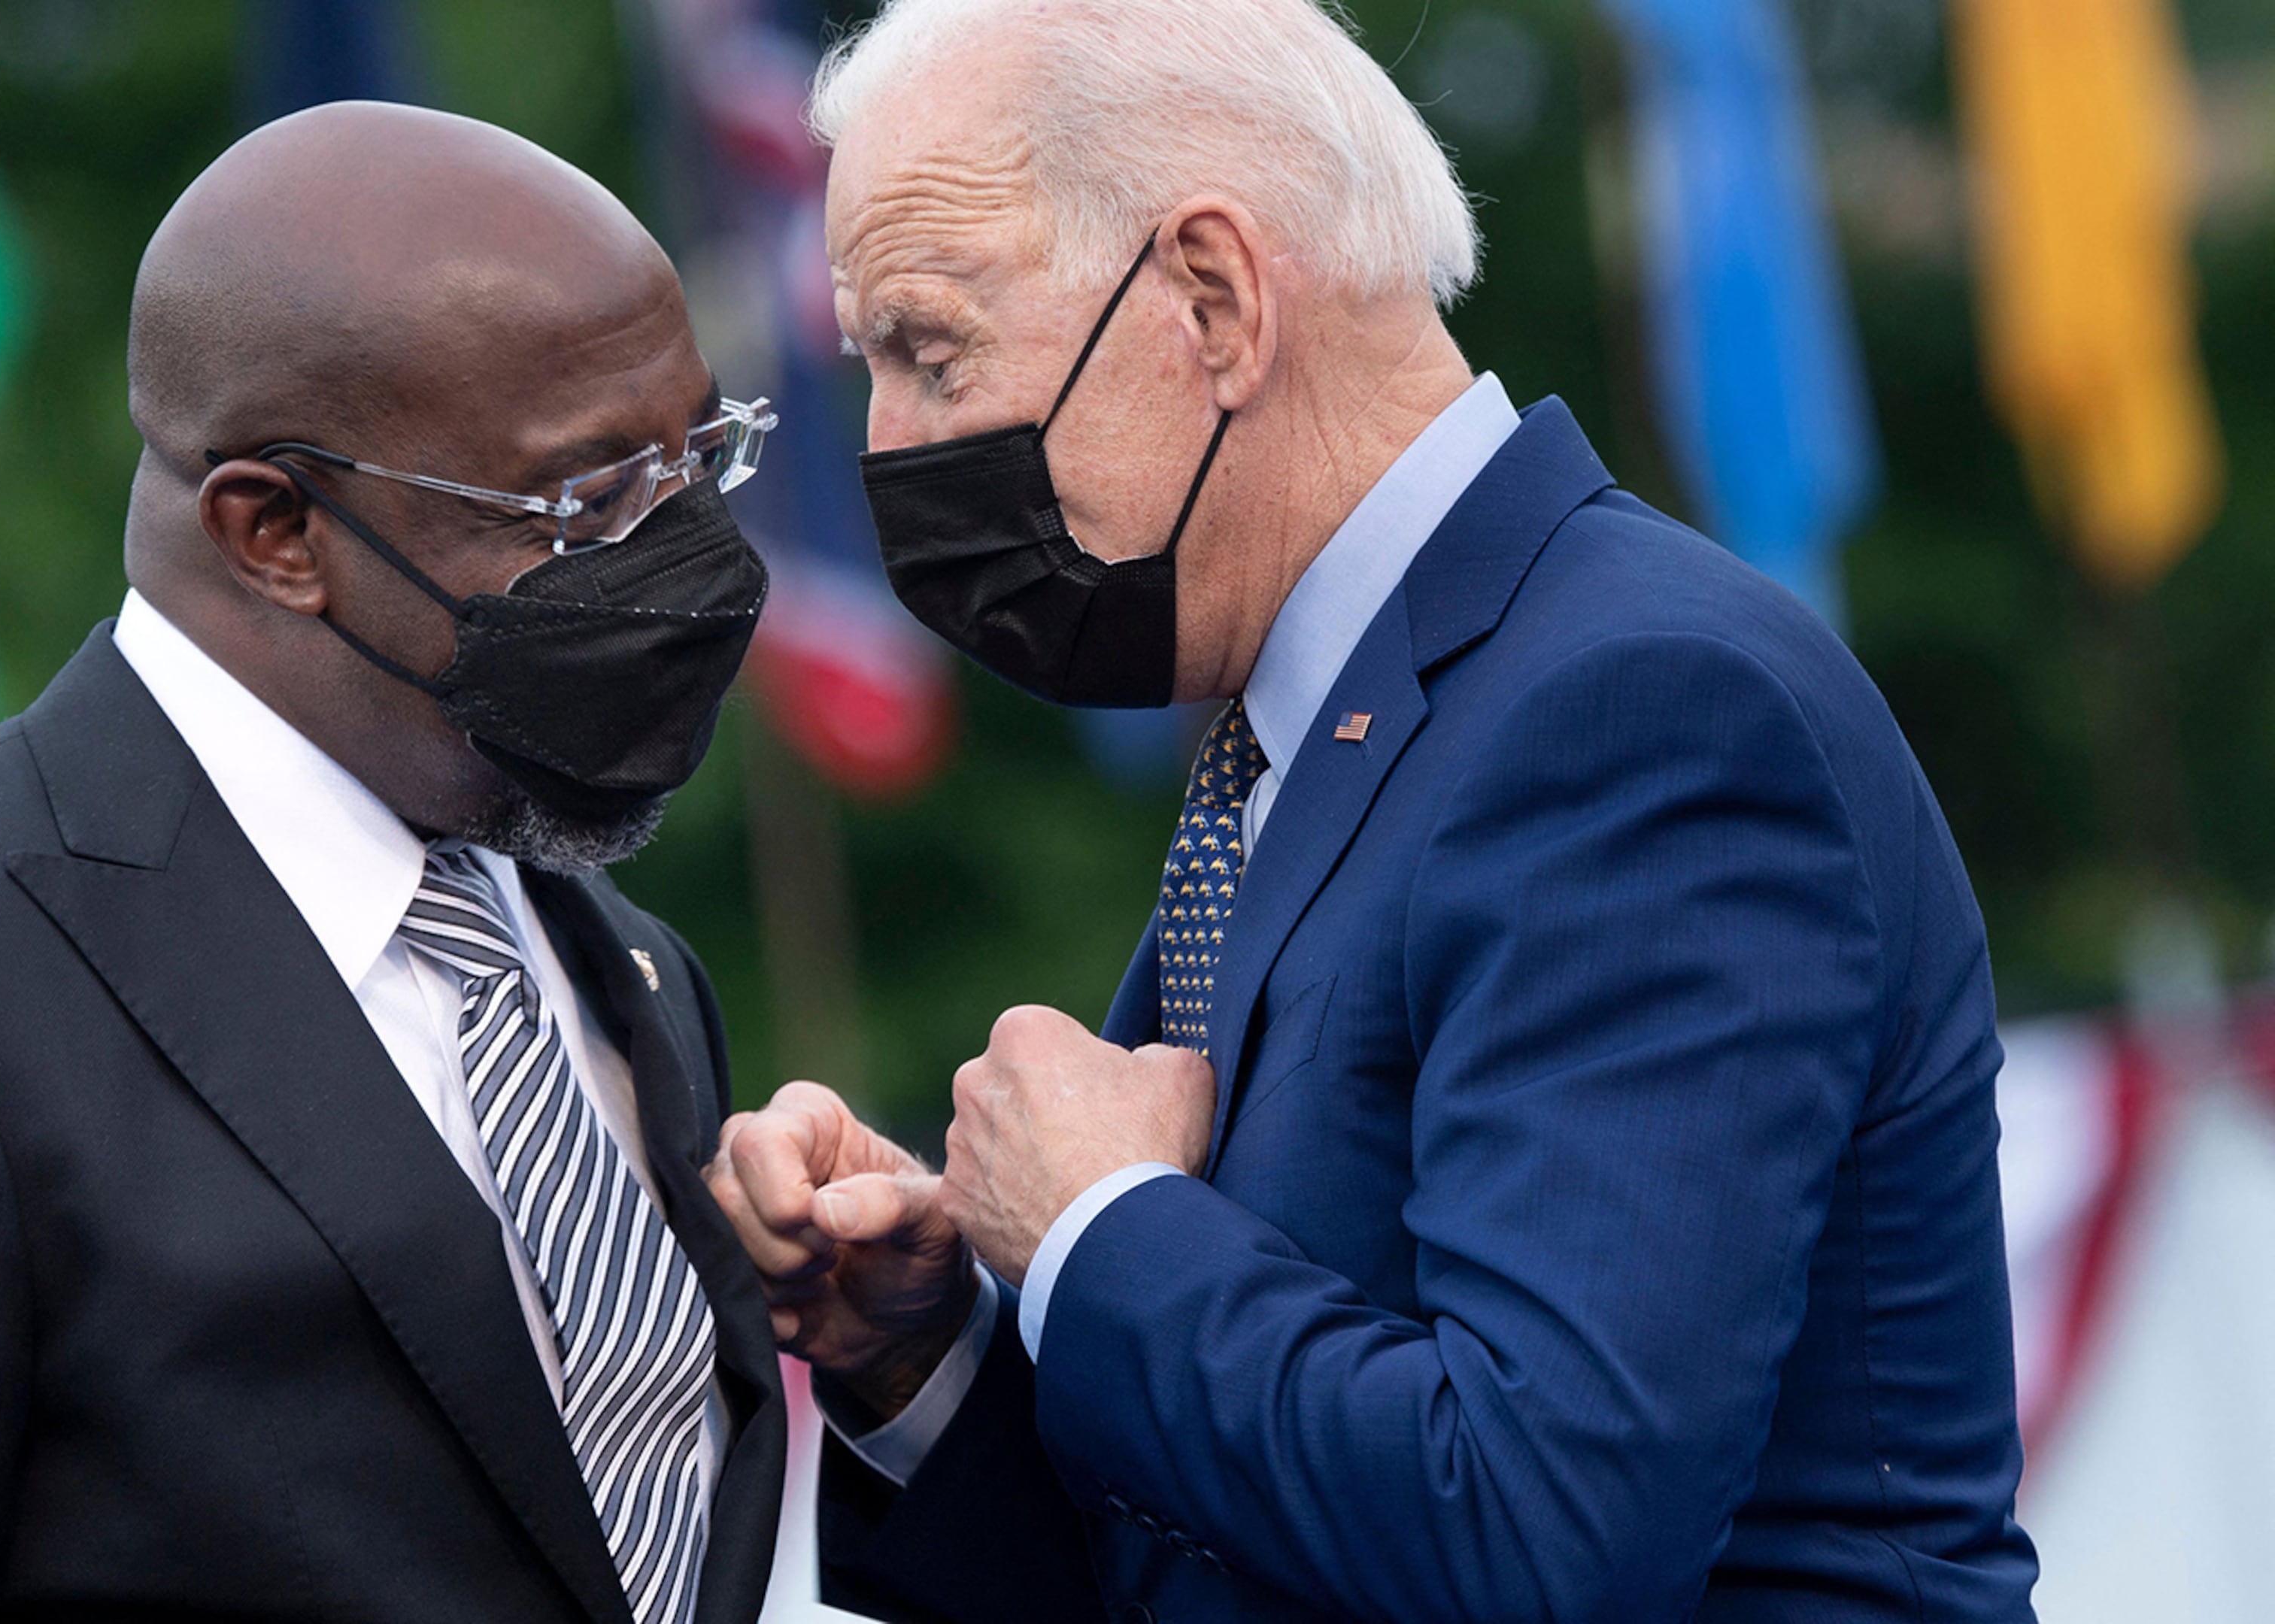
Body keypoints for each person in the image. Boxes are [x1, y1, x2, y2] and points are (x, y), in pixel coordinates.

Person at [706, 2, 2040, 1619]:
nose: (887, 445)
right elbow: (1220, 1552)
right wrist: (921, 1347)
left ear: (1214, 299)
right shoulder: (1317, 730)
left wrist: (1098, 1230)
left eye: (930, 348)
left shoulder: (1637, 714)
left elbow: (1541, 1542)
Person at [0, 103, 788, 1624]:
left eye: (705, 456)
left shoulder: (612, 956)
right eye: (590, 500)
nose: (688, 558)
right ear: (277, 529)